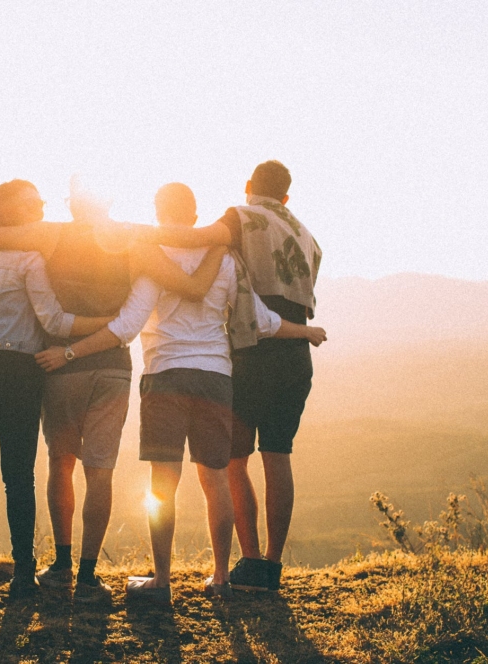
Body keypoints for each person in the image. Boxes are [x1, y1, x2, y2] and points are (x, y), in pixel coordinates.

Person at [36, 183, 326, 602]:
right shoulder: (225, 259)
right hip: (216, 378)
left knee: (163, 484)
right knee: (216, 480)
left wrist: (70, 352)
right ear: (194, 216)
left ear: (158, 212)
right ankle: (222, 578)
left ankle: (161, 582)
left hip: (166, 376)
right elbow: (261, 320)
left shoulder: (153, 258)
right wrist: (306, 331)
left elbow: (127, 326)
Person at [0, 178, 225, 603]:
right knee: (100, 471)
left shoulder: (52, 234)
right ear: (109, 200)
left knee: (61, 462)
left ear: (73, 205)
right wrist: (219, 243)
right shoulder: (133, 240)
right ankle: (88, 576)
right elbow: (189, 285)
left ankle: (62, 564)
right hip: (112, 368)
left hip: (59, 366)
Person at [135, 161, 323, 592]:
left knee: (231, 463)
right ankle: (270, 568)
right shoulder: (308, 236)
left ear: (248, 186)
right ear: (287, 197)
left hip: (252, 351)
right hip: (294, 354)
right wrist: (307, 332)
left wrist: (134, 234)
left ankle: (249, 562)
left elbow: (197, 239)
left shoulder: (241, 217)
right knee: (279, 456)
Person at [0, 179, 113, 600]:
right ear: (15, 212)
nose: (42, 207)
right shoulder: (29, 259)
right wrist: (107, 324)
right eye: (34, 203)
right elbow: (55, 323)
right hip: (16, 372)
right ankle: (23, 575)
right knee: (17, 476)